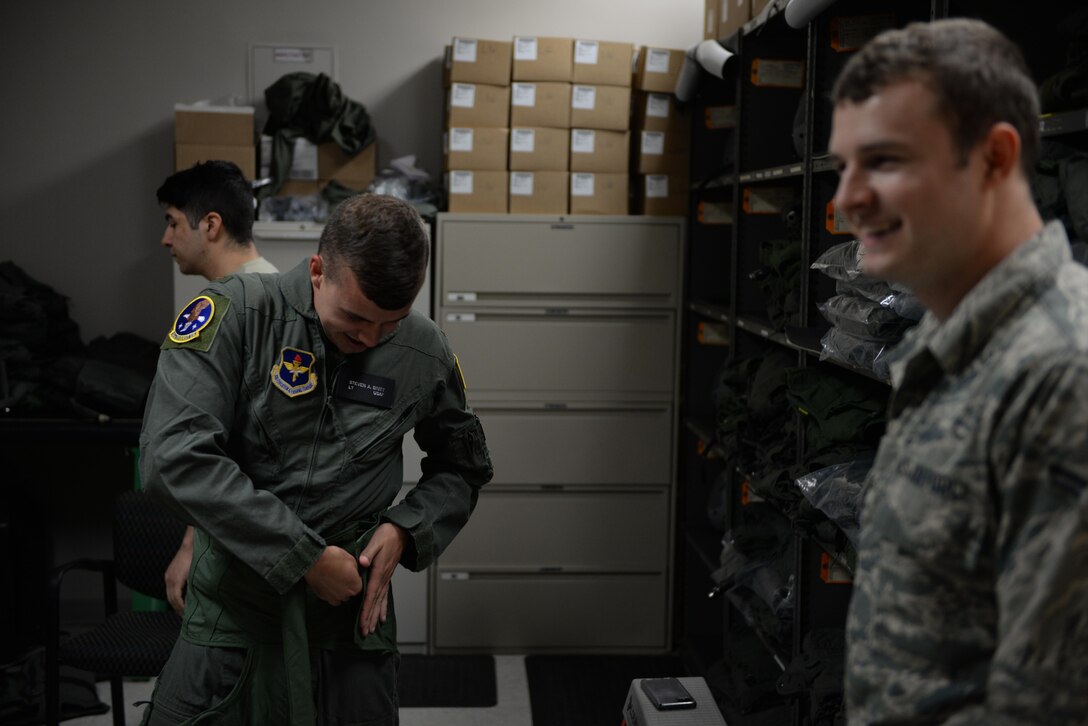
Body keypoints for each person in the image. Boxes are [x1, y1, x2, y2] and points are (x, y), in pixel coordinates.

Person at [138, 193, 493, 724]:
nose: (368, 338)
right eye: (354, 318)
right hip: (235, 617)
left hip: (348, 626)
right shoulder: (237, 314)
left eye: (390, 324)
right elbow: (173, 459)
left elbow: (462, 466)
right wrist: (304, 557)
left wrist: (406, 529)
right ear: (318, 271)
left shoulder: (424, 351)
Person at [829, 18, 1088, 723]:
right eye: (845, 166)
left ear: (995, 159)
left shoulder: (1060, 373)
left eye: (884, 162)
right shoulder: (952, 339)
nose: (847, 199)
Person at [156, 160, 279, 614]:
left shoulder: (239, 308)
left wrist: (191, 545)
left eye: (173, 223)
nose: (166, 238)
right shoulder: (271, 292)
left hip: (246, 539)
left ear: (210, 225)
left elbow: (232, 445)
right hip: (255, 528)